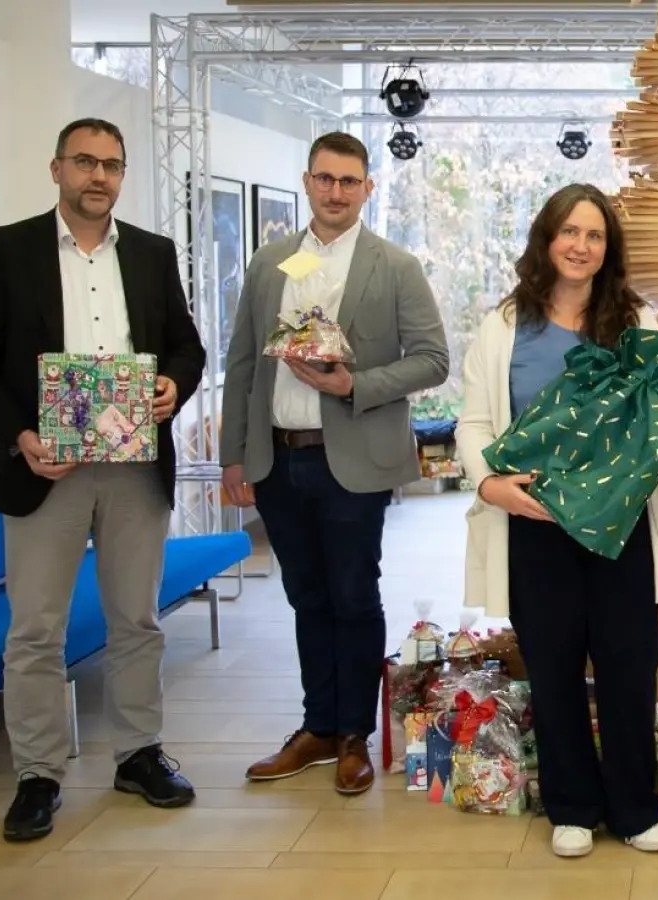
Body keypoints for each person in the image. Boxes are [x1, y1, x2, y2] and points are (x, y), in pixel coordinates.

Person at [0, 118, 206, 841]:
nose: (98, 177)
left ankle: (138, 754)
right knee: (35, 629)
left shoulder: (153, 253)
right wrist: (20, 436)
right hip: (45, 468)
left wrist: (172, 387)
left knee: (136, 619)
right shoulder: (7, 250)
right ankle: (38, 773)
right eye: (85, 163)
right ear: (57, 168)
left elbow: (185, 348)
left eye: (112, 166)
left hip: (133, 466)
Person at [457, 183, 658, 858]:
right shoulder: (503, 325)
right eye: (569, 232)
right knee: (553, 664)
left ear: (607, 249)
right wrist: (490, 483)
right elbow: (474, 422)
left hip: (620, 524)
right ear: (545, 239)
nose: (580, 246)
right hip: (535, 522)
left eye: (594, 235)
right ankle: (571, 806)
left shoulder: (635, 323)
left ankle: (634, 807)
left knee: (628, 661)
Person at [219, 132, 449, 796]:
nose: (336, 192)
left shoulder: (394, 266)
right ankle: (316, 727)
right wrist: (235, 454)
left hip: (352, 461)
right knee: (305, 596)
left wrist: (356, 385)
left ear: (367, 188)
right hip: (276, 460)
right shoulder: (272, 264)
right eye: (325, 179)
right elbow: (240, 363)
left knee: (352, 595)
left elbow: (432, 359)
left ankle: (354, 734)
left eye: (349, 181)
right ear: (307, 181)